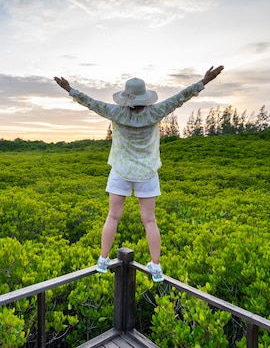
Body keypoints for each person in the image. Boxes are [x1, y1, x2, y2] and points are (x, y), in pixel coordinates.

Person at [54, 65, 224, 282]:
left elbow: (91, 103)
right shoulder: (155, 112)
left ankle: (103, 261)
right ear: (145, 98)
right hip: (147, 172)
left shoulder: (115, 112)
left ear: (126, 98)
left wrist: (69, 89)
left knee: (113, 217)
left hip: (121, 171)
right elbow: (181, 97)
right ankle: (156, 267)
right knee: (150, 221)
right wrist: (204, 81)